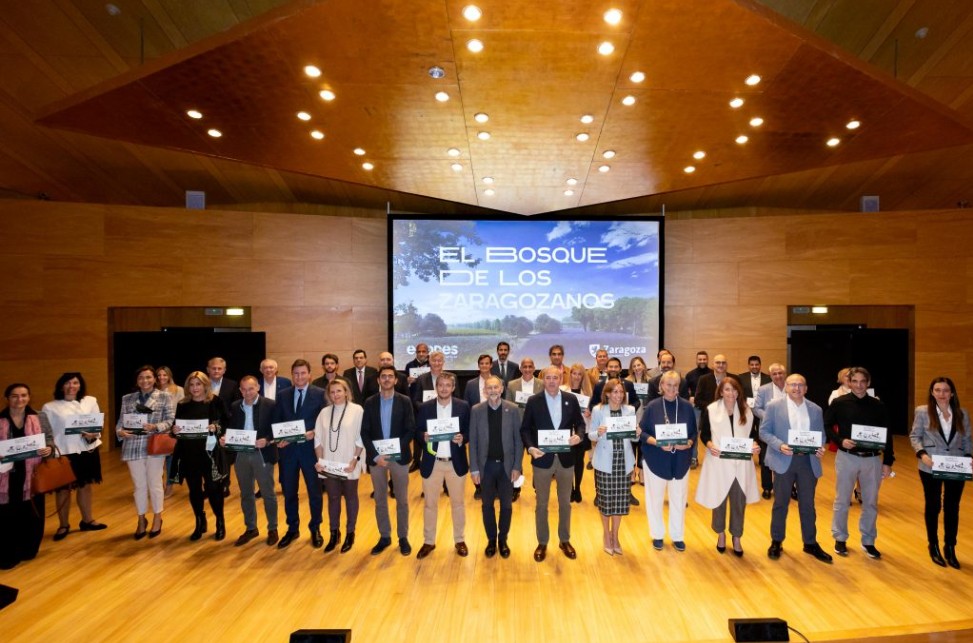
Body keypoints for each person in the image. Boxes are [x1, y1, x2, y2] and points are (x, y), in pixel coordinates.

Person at [759, 374, 832, 563]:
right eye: (792, 385)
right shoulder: (774, 407)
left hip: (808, 462)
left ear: (806, 388)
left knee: (808, 505)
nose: (796, 388)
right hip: (784, 460)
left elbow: (821, 435)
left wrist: (820, 447)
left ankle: (810, 543)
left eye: (800, 385)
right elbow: (764, 431)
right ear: (786, 387)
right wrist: (779, 445)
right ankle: (776, 541)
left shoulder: (815, 409)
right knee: (780, 503)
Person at [824, 366, 894, 559]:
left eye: (863, 381)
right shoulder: (839, 403)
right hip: (847, 457)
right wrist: (839, 440)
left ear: (868, 383)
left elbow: (887, 433)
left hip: (872, 459)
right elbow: (827, 425)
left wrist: (888, 461)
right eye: (854, 381)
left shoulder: (878, 405)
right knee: (842, 500)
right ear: (848, 383)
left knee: (870, 502)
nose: (859, 385)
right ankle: (840, 538)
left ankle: (868, 540)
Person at [520, 366, 586, 562]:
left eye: (555, 378)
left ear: (560, 379)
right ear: (543, 379)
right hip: (542, 458)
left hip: (566, 458)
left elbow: (580, 423)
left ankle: (564, 540)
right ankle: (542, 542)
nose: (551, 381)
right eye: (547, 378)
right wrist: (531, 448)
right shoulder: (534, 401)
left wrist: (579, 436)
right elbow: (525, 430)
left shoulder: (571, 399)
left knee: (565, 502)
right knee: (541, 504)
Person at [909, 377, 971, 569]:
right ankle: (933, 545)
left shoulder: (962, 413)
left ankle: (950, 547)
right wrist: (922, 454)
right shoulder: (922, 411)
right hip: (930, 465)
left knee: (952, 507)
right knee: (933, 505)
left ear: (952, 393)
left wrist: (969, 456)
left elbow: (968, 439)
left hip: (956, 465)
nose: (942, 394)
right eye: (937, 390)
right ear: (932, 392)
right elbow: (915, 436)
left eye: (945, 390)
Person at [695, 377, 761, 557]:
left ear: (738, 392)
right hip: (719, 462)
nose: (731, 393)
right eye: (727, 390)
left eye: (734, 390)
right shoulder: (711, 410)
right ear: (721, 392)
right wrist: (710, 445)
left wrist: (754, 445)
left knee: (739, 503)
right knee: (719, 501)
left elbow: (753, 435)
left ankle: (737, 536)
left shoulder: (747, 411)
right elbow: (705, 434)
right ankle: (721, 534)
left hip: (741, 464)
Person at [40, 372, 106, 541]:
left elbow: (97, 424)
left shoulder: (90, 400)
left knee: (85, 486)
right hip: (64, 452)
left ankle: (87, 520)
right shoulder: (50, 407)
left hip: (87, 450)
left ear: (80, 385)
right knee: (63, 490)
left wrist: (94, 434)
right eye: (67, 383)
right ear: (61, 386)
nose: (71, 386)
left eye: (75, 382)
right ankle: (63, 525)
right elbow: (48, 433)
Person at [360, 365, 415, 556]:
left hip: (399, 458)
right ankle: (385, 536)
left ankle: (403, 537)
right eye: (383, 377)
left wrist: (394, 450)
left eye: (390, 376)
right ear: (378, 380)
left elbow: (410, 429)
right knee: (380, 499)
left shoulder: (405, 401)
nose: (386, 379)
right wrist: (375, 455)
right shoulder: (369, 402)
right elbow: (364, 432)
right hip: (378, 459)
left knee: (402, 500)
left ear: (396, 380)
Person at [415, 372, 470, 559]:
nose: (444, 388)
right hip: (433, 463)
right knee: (430, 505)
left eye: (448, 385)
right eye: (441, 385)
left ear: (453, 387)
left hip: (456, 463)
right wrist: (424, 436)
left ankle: (459, 540)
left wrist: (464, 438)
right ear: (436, 387)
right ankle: (428, 541)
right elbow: (418, 430)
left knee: (458, 504)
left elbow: (469, 431)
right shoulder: (425, 408)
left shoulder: (463, 407)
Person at [273, 359, 327, 549]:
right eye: (296, 373)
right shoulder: (283, 395)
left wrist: (314, 432)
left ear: (310, 374)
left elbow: (325, 422)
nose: (299, 377)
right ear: (292, 375)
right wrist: (278, 438)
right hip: (288, 452)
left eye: (303, 373)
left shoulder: (320, 394)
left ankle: (315, 528)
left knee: (315, 492)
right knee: (289, 492)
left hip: (310, 452)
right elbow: (277, 421)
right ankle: (292, 528)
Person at [639, 371, 696, 551]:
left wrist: (688, 443)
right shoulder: (652, 407)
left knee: (679, 499)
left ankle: (677, 536)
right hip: (656, 459)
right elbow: (642, 433)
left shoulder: (687, 407)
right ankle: (657, 534)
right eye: (668, 385)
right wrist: (656, 443)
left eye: (675, 385)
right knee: (654, 499)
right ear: (661, 386)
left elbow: (694, 432)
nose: (672, 389)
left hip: (680, 459)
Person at [115, 366, 175, 540]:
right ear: (137, 380)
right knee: (139, 485)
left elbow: (170, 420)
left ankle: (157, 517)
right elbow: (120, 422)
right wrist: (120, 432)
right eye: (141, 377)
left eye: (148, 377)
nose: (145, 381)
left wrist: (156, 427)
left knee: (155, 483)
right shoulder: (127, 398)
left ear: (154, 379)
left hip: (154, 445)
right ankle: (141, 519)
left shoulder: (164, 396)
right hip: (132, 445)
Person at [171, 371, 230, 541]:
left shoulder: (215, 401)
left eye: (199, 384)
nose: (195, 388)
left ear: (205, 385)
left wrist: (216, 427)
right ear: (188, 387)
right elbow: (176, 428)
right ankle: (199, 520)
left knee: (214, 489)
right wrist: (174, 430)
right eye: (192, 384)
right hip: (189, 454)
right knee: (194, 490)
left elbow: (226, 422)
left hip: (210, 454)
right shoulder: (182, 404)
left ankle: (220, 520)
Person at [469, 376, 523, 558]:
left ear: (502, 389)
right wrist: (474, 469)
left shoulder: (513, 409)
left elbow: (518, 440)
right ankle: (491, 539)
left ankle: (503, 539)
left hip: (507, 467)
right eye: (489, 388)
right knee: (487, 506)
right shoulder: (476, 411)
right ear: (485, 391)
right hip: (486, 467)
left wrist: (517, 466)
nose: (492, 390)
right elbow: (473, 442)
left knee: (507, 506)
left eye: (496, 387)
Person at [0, 383, 52, 569]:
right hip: (6, 476)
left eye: (23, 395)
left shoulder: (39, 417)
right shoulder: (0, 419)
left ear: (29, 397)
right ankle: (8, 551)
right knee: (8, 514)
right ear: (7, 398)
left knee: (31, 512)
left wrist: (49, 449)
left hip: (33, 474)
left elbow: (50, 440)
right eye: (14, 396)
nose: (19, 399)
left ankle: (29, 547)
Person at [223, 375, 279, 547]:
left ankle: (273, 528)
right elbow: (232, 429)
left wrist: (268, 440)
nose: (247, 392)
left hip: (262, 454)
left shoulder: (270, 405)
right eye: (244, 389)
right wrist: (226, 438)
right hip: (241, 454)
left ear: (258, 388)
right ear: (240, 390)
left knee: (268, 493)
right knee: (246, 493)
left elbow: (277, 429)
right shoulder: (235, 406)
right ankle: (251, 528)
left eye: (251, 388)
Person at [588, 379, 640, 555]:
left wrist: (637, 433)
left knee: (619, 502)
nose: (619, 395)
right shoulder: (598, 410)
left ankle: (615, 535)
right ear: (608, 393)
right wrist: (599, 432)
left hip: (623, 462)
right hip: (604, 462)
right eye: (615, 392)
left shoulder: (630, 410)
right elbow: (591, 435)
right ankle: (606, 535)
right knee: (606, 501)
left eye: (621, 392)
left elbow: (633, 439)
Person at [314, 378, 364, 554]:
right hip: (329, 464)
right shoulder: (324, 413)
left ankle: (351, 533)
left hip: (349, 463)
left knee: (351, 498)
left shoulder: (357, 410)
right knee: (333, 498)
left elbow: (361, 438)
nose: (336, 395)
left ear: (346, 392)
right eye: (332, 392)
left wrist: (355, 459)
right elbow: (318, 440)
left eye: (339, 391)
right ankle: (334, 533)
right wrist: (320, 461)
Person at [752, 362, 786, 499]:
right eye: (774, 373)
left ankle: (787, 488)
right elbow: (756, 408)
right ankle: (767, 487)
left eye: (780, 373)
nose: (778, 376)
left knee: (788, 459)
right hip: (768, 430)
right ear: (770, 375)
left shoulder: (792, 388)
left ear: (785, 374)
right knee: (766, 459)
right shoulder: (763, 389)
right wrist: (770, 417)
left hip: (787, 431)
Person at [562, 363, 594, 503]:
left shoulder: (588, 392)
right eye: (574, 373)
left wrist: (589, 413)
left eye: (579, 374)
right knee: (568, 461)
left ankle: (578, 488)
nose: (576, 376)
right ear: (570, 375)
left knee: (579, 461)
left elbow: (595, 412)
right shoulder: (562, 389)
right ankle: (569, 488)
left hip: (582, 430)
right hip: (566, 431)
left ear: (583, 376)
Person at [156, 366, 183, 499]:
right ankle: (158, 486)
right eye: (159, 375)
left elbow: (182, 409)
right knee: (157, 461)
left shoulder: (178, 390)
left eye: (164, 375)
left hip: (173, 430)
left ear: (169, 376)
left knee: (171, 462)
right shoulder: (153, 391)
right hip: (157, 431)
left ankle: (169, 486)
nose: (162, 377)